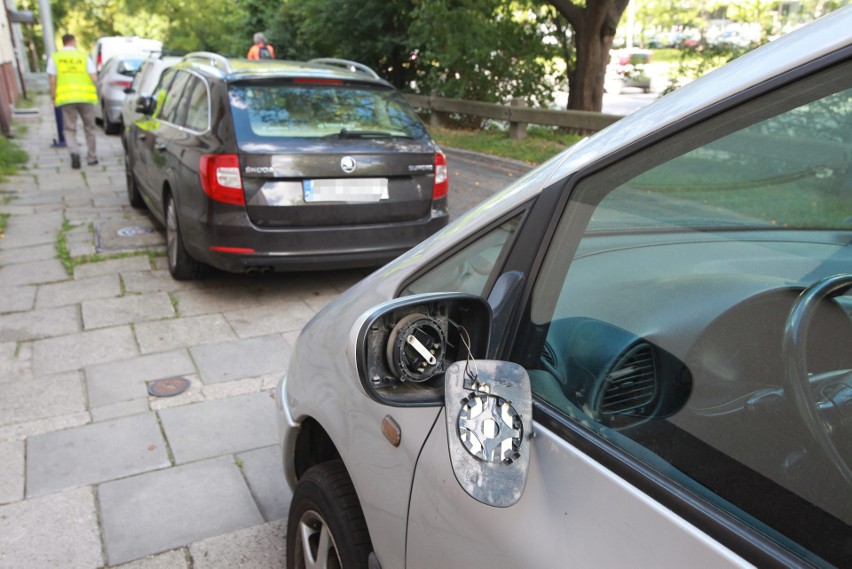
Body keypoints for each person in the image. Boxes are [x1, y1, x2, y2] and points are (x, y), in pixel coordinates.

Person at [47, 33, 98, 169]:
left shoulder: (56, 58)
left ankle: (74, 152)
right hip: (85, 97)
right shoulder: (83, 57)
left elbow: (52, 80)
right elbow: (94, 78)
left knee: (69, 129)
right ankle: (92, 157)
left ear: (63, 43)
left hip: (66, 98)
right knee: (89, 128)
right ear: (74, 41)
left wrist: (53, 95)